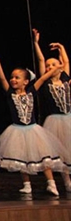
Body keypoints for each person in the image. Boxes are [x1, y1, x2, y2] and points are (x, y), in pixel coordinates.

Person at [0, 51, 66, 196]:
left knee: (44, 156)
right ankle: (26, 184)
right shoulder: (10, 93)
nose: (13, 80)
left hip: (33, 130)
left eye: (17, 78)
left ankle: (51, 183)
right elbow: (1, 78)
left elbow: (44, 77)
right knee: (21, 158)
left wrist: (58, 68)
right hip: (17, 130)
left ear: (26, 82)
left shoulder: (31, 91)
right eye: (12, 77)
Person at [32, 29, 71, 192]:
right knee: (55, 151)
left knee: (68, 150)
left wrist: (61, 48)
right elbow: (40, 59)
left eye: (53, 64)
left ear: (60, 68)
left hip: (68, 118)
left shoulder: (65, 79)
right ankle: (58, 181)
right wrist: (36, 43)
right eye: (48, 66)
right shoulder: (46, 83)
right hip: (53, 120)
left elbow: (66, 63)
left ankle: (68, 181)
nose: (49, 67)